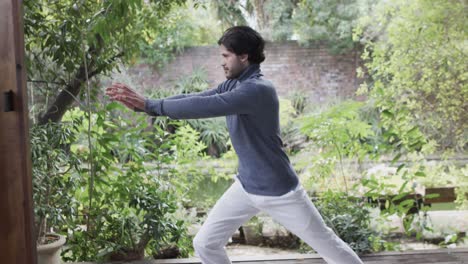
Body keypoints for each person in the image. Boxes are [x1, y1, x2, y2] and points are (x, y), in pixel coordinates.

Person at [105, 26, 364, 264]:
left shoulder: (258, 90)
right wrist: (147, 107)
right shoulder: (234, 84)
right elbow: (196, 97)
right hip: (247, 186)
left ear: (244, 56)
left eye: (226, 56)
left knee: (329, 246)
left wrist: (151, 104)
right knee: (205, 243)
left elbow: (205, 107)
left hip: (280, 191)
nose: (222, 62)